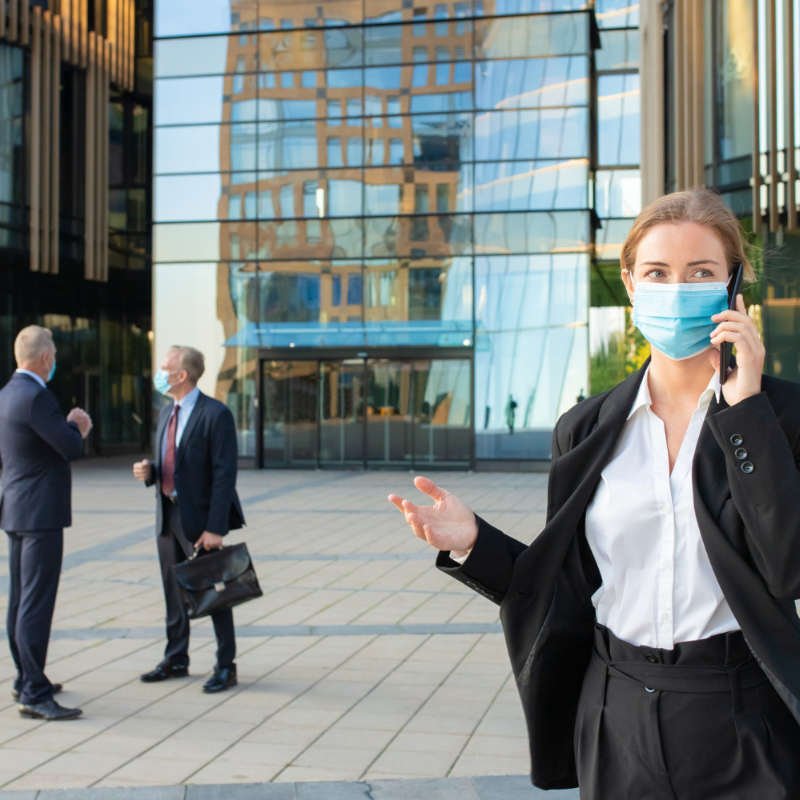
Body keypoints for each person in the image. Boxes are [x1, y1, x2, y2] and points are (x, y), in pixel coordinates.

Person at [389, 189, 800, 799]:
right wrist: (475, 543)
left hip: (741, 713)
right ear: (631, 284)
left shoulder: (780, 416)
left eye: (701, 272)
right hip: (616, 710)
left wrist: (746, 416)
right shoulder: (585, 427)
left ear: (733, 286)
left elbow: (789, 568)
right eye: (658, 272)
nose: (677, 288)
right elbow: (568, 588)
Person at [133, 346, 244, 693]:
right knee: (173, 591)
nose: (160, 371)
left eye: (165, 367)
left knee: (213, 593)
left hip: (200, 521)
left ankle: (226, 664)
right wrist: (149, 471)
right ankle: (176, 657)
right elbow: (171, 464)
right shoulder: (166, 412)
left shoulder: (216, 414)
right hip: (167, 515)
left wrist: (215, 527)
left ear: (182, 375)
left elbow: (225, 475)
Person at [0, 325, 92, 721]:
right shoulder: (37, 397)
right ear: (46, 358)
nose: (54, 359)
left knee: (21, 599)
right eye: (53, 353)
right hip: (39, 513)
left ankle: (27, 678)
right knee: (35, 603)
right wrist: (79, 427)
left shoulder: (6, 394)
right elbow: (69, 446)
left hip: (17, 508)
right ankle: (34, 693)